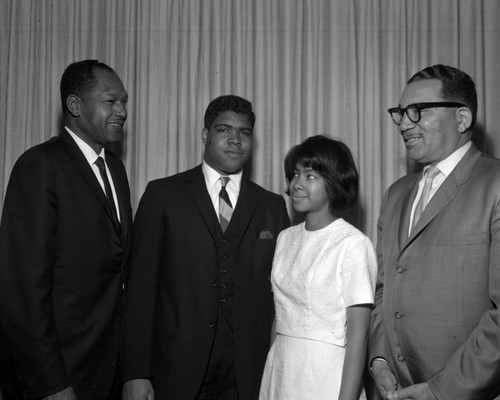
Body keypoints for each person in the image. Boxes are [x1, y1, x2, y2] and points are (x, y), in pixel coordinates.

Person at [121, 95, 291, 400]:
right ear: (205, 135)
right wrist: (136, 372)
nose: (236, 140)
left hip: (247, 373)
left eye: (245, 133)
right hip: (176, 367)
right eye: (224, 130)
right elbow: (140, 289)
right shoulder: (163, 195)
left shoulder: (272, 206)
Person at [0, 59, 132, 400]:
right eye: (111, 101)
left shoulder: (115, 169)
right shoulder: (40, 166)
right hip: (58, 377)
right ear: (75, 105)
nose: (122, 111)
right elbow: (22, 292)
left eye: (124, 102)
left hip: (107, 373)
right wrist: (51, 385)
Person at [369, 64, 500, 400]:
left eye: (418, 111)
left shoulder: (495, 184)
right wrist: (380, 360)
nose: (403, 123)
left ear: (461, 119)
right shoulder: (396, 193)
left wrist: (443, 391)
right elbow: (384, 290)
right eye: (400, 112)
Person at [258, 135, 377, 400]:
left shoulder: (353, 244)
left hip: (325, 376)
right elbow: (280, 314)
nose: (296, 184)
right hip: (281, 370)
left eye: (310, 176)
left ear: (334, 183)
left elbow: (359, 338)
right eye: (295, 174)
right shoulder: (285, 238)